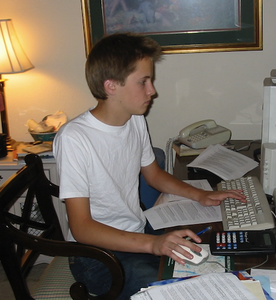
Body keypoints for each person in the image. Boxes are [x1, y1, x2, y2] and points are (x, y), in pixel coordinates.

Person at [53, 32, 245, 300]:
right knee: (182, 291)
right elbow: (81, 227)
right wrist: (153, 244)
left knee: (215, 260)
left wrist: (200, 195)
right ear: (111, 86)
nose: (152, 90)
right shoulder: (75, 138)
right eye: (143, 81)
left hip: (136, 230)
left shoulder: (133, 119)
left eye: (150, 80)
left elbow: (153, 175)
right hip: (95, 256)